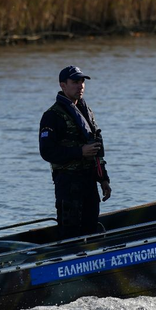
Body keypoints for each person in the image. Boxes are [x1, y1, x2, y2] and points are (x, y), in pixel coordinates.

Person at [39, 65, 111, 239]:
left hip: (89, 182)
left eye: (82, 81)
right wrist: (79, 152)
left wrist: (103, 179)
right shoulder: (52, 116)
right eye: (75, 82)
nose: (80, 86)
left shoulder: (87, 112)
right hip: (68, 183)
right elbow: (47, 152)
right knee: (70, 233)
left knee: (91, 230)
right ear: (63, 85)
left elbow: (96, 150)